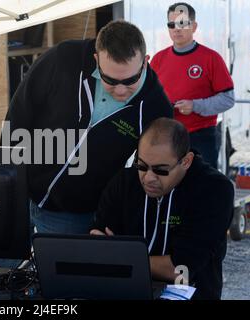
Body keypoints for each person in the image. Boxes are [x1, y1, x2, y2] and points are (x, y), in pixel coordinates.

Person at [3, 20, 173, 234]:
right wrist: (6, 181)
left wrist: (113, 218)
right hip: (20, 195)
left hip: (74, 215)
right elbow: (19, 115)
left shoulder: (156, 108)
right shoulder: (63, 59)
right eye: (110, 79)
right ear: (96, 60)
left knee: (55, 269)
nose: (120, 91)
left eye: (130, 80)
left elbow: (144, 176)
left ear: (145, 62)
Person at [90, 118, 233, 300]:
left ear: (186, 161)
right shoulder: (124, 181)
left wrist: (120, 256)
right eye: (141, 165)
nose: (148, 178)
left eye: (161, 170)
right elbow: (97, 239)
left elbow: (180, 269)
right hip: (125, 293)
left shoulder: (215, 190)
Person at [150, 2, 235, 168]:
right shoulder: (158, 59)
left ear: (194, 26)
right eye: (171, 24)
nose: (176, 29)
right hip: (167, 136)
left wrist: (195, 105)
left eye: (182, 23)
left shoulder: (211, 58)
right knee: (170, 186)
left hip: (201, 137)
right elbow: (148, 96)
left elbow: (228, 99)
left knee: (202, 188)